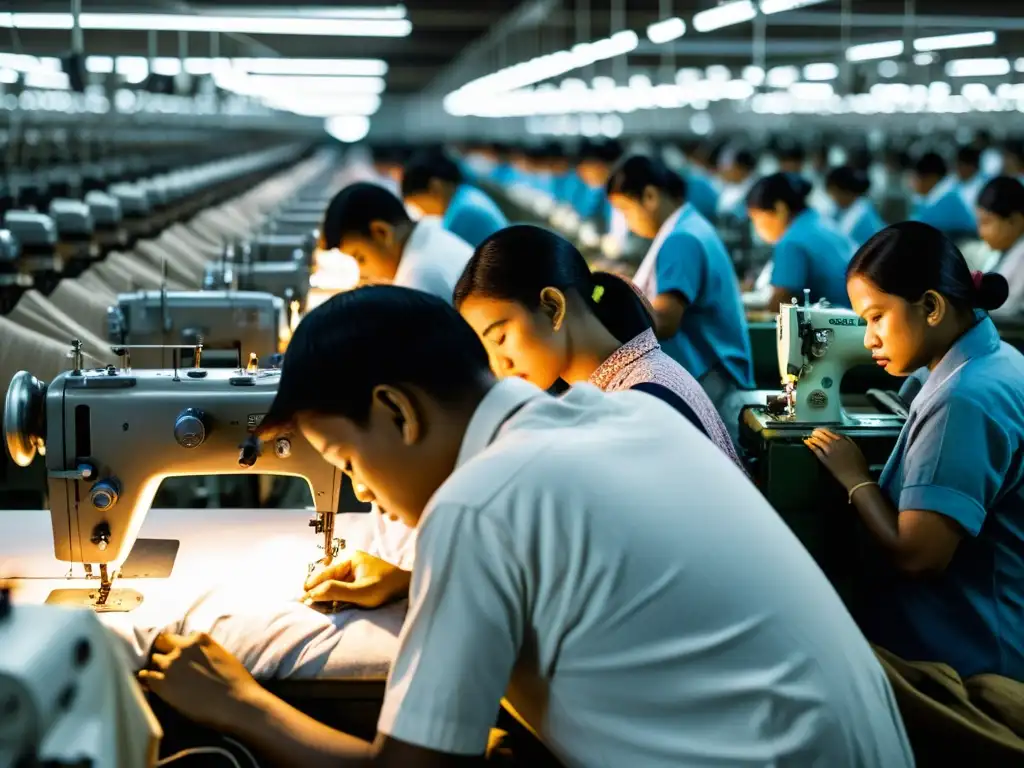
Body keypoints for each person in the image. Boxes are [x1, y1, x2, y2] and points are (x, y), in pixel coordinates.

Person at [141, 285, 913, 768]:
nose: (356, 486)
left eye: (345, 457)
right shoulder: (628, 418)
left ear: (397, 411)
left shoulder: (477, 505)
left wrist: (239, 703)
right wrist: (416, 577)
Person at [806, 221, 1024, 682]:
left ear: (930, 306)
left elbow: (919, 555)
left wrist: (855, 478)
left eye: (876, 317)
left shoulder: (964, 399)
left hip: (969, 655)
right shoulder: (992, 360)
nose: (868, 339)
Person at [453, 224, 743, 466]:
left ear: (553, 307)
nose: (498, 364)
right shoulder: (631, 377)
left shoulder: (638, 402)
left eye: (500, 339)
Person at [606, 155, 754, 419]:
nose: (627, 221)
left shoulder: (681, 239)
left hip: (710, 382)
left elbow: (665, 322)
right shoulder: (690, 225)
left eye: (626, 210)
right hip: (711, 377)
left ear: (650, 196)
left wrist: (615, 297)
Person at [320, 181, 473, 302]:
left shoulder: (417, 279)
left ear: (382, 232)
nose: (362, 273)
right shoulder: (431, 232)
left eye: (361, 258)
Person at [746, 172, 856, 310]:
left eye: (757, 218)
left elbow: (780, 304)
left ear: (780, 209)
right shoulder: (819, 222)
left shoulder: (791, 242)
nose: (756, 227)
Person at [400, 150, 508, 249]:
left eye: (417, 204)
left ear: (435, 187)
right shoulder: (465, 194)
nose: (421, 213)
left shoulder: (462, 214)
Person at [977, 176, 1024, 319]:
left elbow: (1009, 311)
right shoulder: (999, 252)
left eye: (986, 222)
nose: (981, 232)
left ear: (1014, 221)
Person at [909, 151, 978, 238]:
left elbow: (920, 224)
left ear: (931, 177)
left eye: (915, 178)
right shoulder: (940, 193)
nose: (911, 184)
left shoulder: (947, 197)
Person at [826, 165, 886, 247]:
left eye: (833, 192)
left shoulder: (861, 216)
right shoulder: (843, 209)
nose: (831, 197)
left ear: (846, 192)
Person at [715, 146, 758, 220]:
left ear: (740, 168)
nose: (729, 171)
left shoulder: (752, 191)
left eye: (731, 167)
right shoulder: (733, 188)